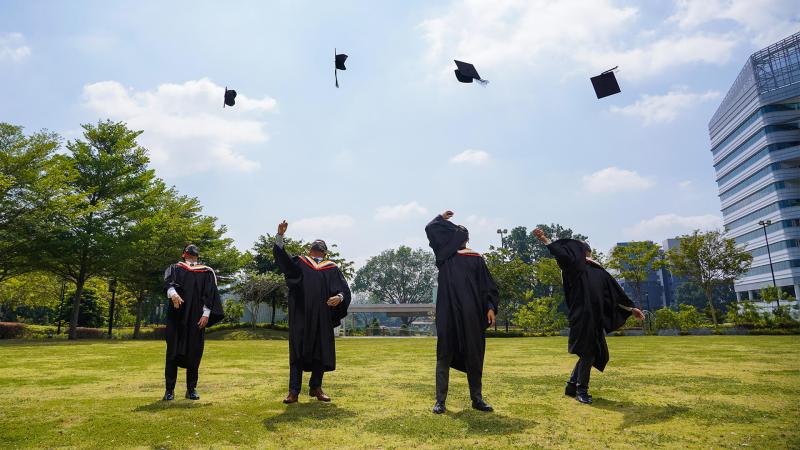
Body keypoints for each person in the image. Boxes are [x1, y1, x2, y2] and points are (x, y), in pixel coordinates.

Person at [533, 228, 644, 404]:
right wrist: (545, 240)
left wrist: (631, 309)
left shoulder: (599, 271)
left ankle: (572, 386)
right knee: (589, 353)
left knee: (590, 353)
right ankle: (581, 390)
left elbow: (613, 294)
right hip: (582, 316)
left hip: (595, 317)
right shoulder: (574, 268)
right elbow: (561, 255)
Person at [425, 210, 499, 414]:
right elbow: (430, 228)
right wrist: (441, 217)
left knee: (474, 354)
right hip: (448, 313)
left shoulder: (476, 258)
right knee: (444, 355)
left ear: (465, 239)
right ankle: (440, 401)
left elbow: (487, 286)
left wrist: (490, 307)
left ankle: (477, 399)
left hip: (471, 315)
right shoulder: (444, 257)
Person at [273, 220, 351, 404]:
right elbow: (284, 261)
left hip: (322, 317)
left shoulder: (331, 268)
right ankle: (293, 391)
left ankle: (316, 387)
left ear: (325, 252)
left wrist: (339, 297)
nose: (317, 250)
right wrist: (280, 236)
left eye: (320, 248)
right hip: (301, 316)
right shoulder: (300, 262)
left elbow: (344, 290)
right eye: (315, 248)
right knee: (297, 352)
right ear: (309, 250)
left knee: (320, 352)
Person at [162, 244, 224, 401]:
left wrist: (206, 314)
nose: (191, 255)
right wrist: (173, 294)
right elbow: (168, 283)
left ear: (198, 256)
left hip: (197, 317)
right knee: (172, 352)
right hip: (177, 317)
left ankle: (191, 389)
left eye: (194, 253)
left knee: (194, 352)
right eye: (189, 253)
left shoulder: (206, 272)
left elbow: (210, 294)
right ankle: (169, 390)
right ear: (183, 254)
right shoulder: (175, 268)